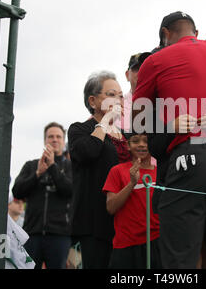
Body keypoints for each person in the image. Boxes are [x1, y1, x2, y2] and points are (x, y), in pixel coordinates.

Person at [132, 11, 206, 268]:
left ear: (165, 34)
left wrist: (166, 123)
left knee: (179, 261)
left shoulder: (156, 60)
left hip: (189, 158)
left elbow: (137, 119)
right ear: (195, 33)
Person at [68, 71, 131, 269]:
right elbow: (89, 151)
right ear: (93, 101)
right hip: (95, 221)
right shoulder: (80, 129)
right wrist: (105, 121)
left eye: (121, 95)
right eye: (112, 94)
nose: (119, 100)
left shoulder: (128, 135)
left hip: (126, 219)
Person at [12, 122, 73, 269]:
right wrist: (37, 174)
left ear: (63, 141)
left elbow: (69, 191)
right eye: (50, 136)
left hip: (59, 234)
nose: (54, 139)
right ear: (45, 140)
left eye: (58, 136)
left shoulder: (70, 167)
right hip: (32, 234)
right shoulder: (31, 166)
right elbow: (17, 191)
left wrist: (52, 167)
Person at [103, 133, 161, 268]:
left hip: (156, 242)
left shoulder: (162, 173)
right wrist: (132, 183)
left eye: (146, 141)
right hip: (126, 244)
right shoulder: (117, 171)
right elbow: (110, 207)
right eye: (135, 141)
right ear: (128, 146)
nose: (141, 144)